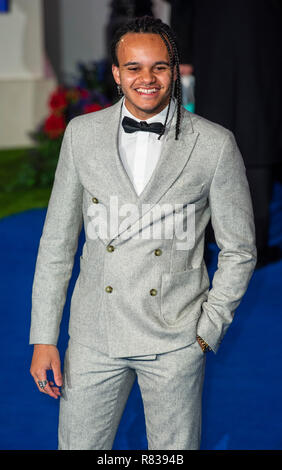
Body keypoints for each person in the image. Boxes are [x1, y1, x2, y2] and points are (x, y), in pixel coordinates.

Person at [29, 16, 257, 450]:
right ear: (116, 73)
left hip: (175, 336)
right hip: (95, 335)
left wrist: (208, 328)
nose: (146, 79)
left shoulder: (213, 144)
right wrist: (44, 337)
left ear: (174, 70)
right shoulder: (82, 135)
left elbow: (239, 249)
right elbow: (57, 244)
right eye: (133, 67)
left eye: (159, 67)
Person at [165, 0, 282, 268]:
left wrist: (182, 54)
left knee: (214, 139)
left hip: (222, 43)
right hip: (256, 42)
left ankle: (207, 241)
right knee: (250, 135)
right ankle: (251, 244)